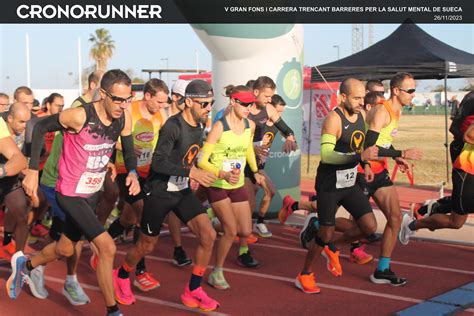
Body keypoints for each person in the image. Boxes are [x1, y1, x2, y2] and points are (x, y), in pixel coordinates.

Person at [7, 69, 140, 316]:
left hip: (91, 193)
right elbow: (38, 127)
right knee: (107, 247)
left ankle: (26, 265)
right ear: (103, 94)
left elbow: (128, 149)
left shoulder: (123, 118)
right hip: (68, 193)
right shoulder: (80, 115)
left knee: (65, 249)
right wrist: (33, 170)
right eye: (118, 99)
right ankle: (113, 311)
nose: (123, 105)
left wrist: (131, 170)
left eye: (128, 98)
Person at [112, 80, 220, 312]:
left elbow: (189, 156)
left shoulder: (199, 126)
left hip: (180, 191)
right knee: (146, 245)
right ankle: (120, 275)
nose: (208, 107)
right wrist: (190, 172)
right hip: (159, 192)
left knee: (208, 234)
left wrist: (206, 172)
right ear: (188, 102)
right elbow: (158, 163)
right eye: (204, 103)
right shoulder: (173, 126)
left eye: (211, 103)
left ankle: (193, 289)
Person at [295, 78, 378, 294]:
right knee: (324, 233)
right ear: (343, 97)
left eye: (363, 97)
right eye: (357, 98)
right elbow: (327, 155)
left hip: (349, 183)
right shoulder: (333, 119)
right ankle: (304, 274)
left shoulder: (360, 115)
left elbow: (361, 146)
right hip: (329, 185)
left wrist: (366, 164)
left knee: (369, 226)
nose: (361, 102)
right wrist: (360, 156)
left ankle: (333, 247)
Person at [359, 72, 422, 286]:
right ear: (396, 91)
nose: (414, 94)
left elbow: (383, 143)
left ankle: (382, 269)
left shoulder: (398, 112)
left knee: (395, 218)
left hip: (380, 171)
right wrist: (401, 153)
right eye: (410, 90)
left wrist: (397, 157)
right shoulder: (382, 112)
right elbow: (369, 148)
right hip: (362, 170)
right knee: (360, 228)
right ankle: (318, 227)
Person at [198, 85, 263, 289]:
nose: (248, 108)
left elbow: (248, 151)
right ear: (233, 102)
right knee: (230, 230)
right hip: (217, 183)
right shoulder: (220, 127)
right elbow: (201, 160)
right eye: (244, 104)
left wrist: (255, 172)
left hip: (237, 183)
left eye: (251, 104)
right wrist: (222, 173)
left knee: (244, 230)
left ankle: (210, 216)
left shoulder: (250, 126)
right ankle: (217, 272)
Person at [399, 93, 473, 242]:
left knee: (462, 205)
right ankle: (411, 225)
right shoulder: (472, 99)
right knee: (456, 221)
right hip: (468, 169)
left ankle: (428, 209)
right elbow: (468, 135)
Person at [245, 76, 297, 240]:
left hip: (258, 166)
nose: (269, 100)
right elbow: (235, 138)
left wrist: (290, 137)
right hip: (243, 162)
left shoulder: (269, 110)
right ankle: (242, 236)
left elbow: (286, 129)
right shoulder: (244, 110)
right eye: (267, 97)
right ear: (255, 92)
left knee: (270, 192)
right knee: (249, 202)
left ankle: (257, 223)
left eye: (271, 97)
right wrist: (252, 147)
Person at [0, 103, 32, 261]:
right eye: (21, 122)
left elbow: (22, 161)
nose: (25, 125)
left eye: (27, 121)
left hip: (9, 179)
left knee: (22, 215)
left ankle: (18, 258)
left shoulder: (28, 131)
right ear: (10, 118)